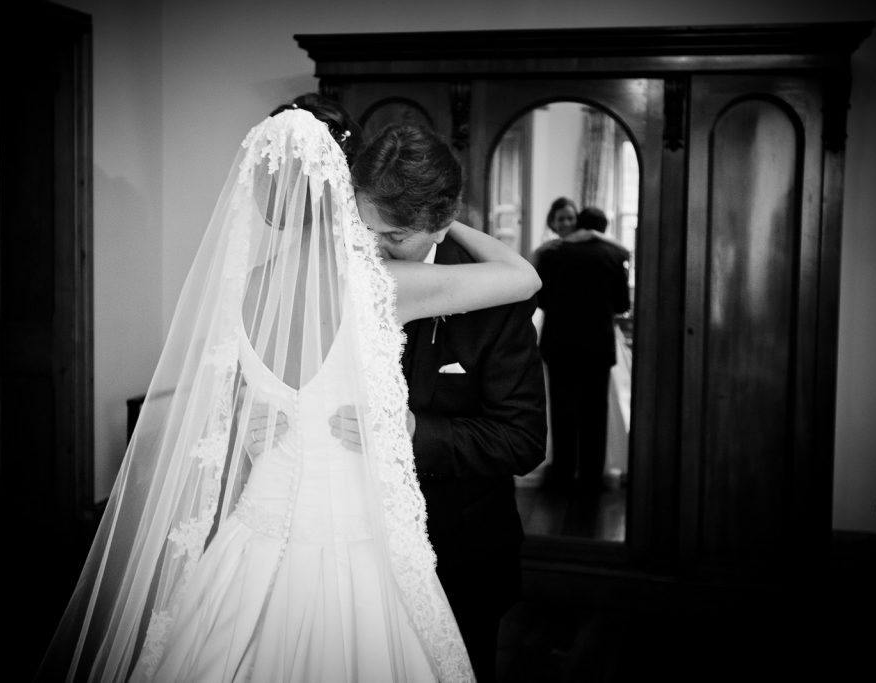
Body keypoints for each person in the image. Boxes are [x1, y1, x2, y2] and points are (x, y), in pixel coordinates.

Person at [37, 96, 540, 683]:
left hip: (275, 535)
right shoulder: (382, 286)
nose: (376, 238)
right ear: (346, 196)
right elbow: (523, 276)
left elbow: (225, 404)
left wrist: (265, 411)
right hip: (355, 542)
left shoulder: (243, 289)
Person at [343, 124, 548, 683]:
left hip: (456, 548)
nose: (373, 248)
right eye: (365, 226)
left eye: (397, 235)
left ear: (440, 218)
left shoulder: (496, 291)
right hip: (345, 542)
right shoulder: (336, 264)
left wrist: (413, 430)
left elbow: (523, 439)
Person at [533, 202, 630, 492]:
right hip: (597, 345)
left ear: (578, 225)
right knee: (594, 414)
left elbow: (543, 300)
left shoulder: (553, 254)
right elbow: (622, 305)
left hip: (559, 343)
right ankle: (591, 477)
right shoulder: (614, 254)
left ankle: (563, 473)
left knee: (562, 412)